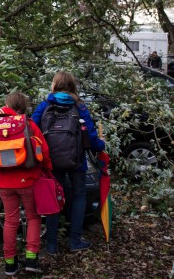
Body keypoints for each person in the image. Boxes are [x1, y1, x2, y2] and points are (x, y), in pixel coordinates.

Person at [32, 71, 105, 254]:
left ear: (54, 85)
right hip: (76, 160)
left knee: (53, 198)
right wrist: (100, 146)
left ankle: (51, 245)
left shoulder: (45, 105)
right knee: (79, 195)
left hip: (51, 161)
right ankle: (75, 241)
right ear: (73, 86)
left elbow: (32, 130)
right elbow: (89, 133)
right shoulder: (79, 106)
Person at [0, 92, 53, 276]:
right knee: (34, 218)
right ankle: (31, 260)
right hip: (28, 180)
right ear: (22, 108)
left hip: (4, 183)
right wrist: (47, 169)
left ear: (6, 104)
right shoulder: (27, 125)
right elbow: (43, 151)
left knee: (11, 221)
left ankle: (10, 264)